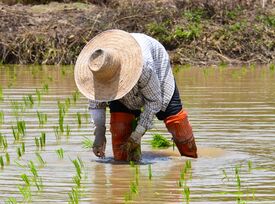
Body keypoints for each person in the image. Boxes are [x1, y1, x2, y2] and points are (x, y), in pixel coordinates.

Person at [74, 29, 198, 162]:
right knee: (120, 136)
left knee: (177, 123)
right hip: (121, 83)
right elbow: (96, 105)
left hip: (155, 69)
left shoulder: (145, 66)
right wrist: (99, 134)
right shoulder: (98, 70)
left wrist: (137, 135)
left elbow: (154, 102)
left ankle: (191, 158)